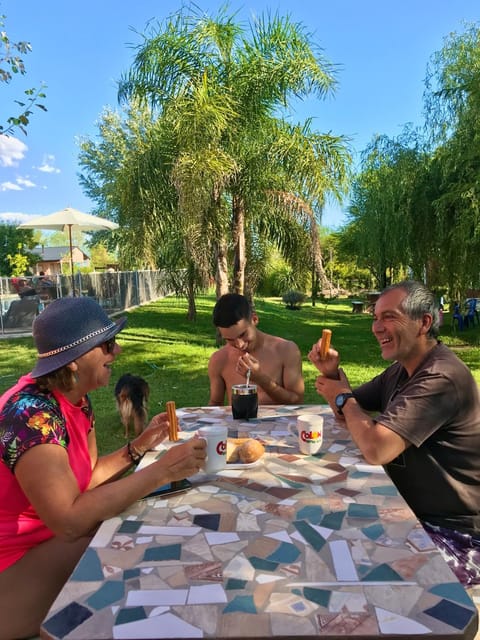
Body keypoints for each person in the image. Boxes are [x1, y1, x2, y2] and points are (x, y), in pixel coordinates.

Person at [0, 297, 206, 639]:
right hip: (15, 563)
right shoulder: (31, 415)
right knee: (138, 552)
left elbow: (86, 478)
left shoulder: (75, 400)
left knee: (147, 531)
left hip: (49, 543)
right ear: (76, 359)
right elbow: (68, 521)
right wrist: (162, 471)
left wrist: (139, 447)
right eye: (108, 344)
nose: (118, 351)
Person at [308, 280, 480, 586]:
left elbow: (376, 449)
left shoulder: (441, 377)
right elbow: (348, 407)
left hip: (455, 535)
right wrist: (334, 376)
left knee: (352, 574)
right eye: (375, 317)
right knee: (322, 536)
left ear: (423, 323)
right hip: (406, 512)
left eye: (389, 317)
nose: (376, 327)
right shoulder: (403, 368)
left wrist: (343, 397)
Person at [208, 293, 304, 406]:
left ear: (254, 319)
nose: (240, 344)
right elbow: (215, 403)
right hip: (238, 423)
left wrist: (261, 379)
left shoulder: (286, 350)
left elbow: (297, 401)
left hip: (280, 422)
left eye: (242, 334)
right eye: (230, 339)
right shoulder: (219, 359)